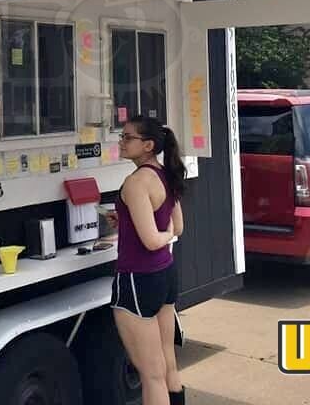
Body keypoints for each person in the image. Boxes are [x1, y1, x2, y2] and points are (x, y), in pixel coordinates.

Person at [111, 115, 186, 405]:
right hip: (164, 275)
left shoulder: (135, 182)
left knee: (151, 376)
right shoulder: (164, 174)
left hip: (136, 280)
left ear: (148, 145)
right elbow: (177, 226)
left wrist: (162, 234)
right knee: (168, 364)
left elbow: (153, 238)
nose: (121, 141)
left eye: (128, 137)